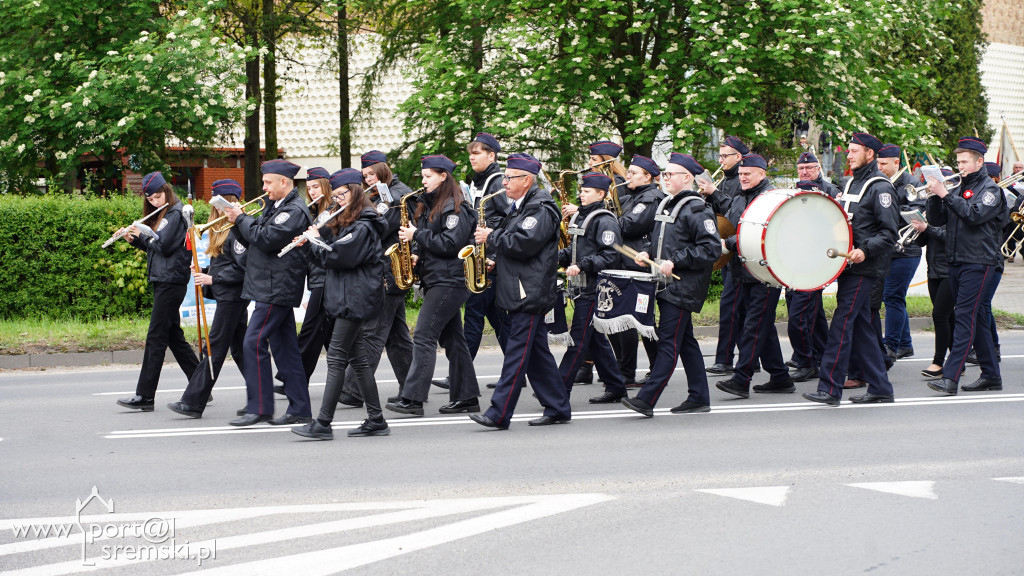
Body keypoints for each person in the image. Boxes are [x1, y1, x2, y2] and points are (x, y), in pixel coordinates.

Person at [469, 153, 571, 429]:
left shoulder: (540, 208)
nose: (504, 182)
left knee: (516, 354)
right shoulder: (521, 206)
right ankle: (559, 406)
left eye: (509, 177)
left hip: (530, 291)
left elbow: (525, 243)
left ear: (527, 180)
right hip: (521, 287)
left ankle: (499, 413)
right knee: (537, 353)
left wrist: (491, 236)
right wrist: (495, 261)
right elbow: (516, 248)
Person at [291, 168, 391, 439]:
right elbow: (331, 255)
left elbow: (338, 257)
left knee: (335, 358)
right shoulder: (349, 223)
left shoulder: (364, 225)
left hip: (355, 300)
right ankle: (377, 419)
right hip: (348, 297)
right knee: (357, 359)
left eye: (341, 195)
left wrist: (314, 241)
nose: (337, 201)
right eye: (334, 197)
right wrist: (313, 241)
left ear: (356, 193)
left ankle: (323, 423)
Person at [620, 153, 720, 416]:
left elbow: (711, 250)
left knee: (668, 343)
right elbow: (664, 241)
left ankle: (646, 399)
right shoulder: (668, 204)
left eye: (669, 174)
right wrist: (647, 253)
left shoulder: (697, 208)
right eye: (663, 174)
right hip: (665, 285)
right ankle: (699, 397)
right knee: (685, 342)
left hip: (683, 286)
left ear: (686, 177)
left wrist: (675, 262)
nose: (664, 178)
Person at [803, 132, 898, 406]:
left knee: (841, 324)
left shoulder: (880, 188)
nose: (849, 154)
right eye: (849, 150)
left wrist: (864, 250)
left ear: (870, 154)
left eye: (855, 150)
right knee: (862, 327)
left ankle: (830, 388)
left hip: (865, 269)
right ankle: (881, 387)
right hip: (847, 266)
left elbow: (889, 233)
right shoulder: (851, 183)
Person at [385, 154, 481, 416]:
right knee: (454, 340)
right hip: (438, 277)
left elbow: (451, 244)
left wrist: (417, 235)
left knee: (424, 336)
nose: (423, 181)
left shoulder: (455, 206)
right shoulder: (434, 204)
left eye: (428, 176)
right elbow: (435, 242)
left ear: (443, 177)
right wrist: (418, 252)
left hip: (450, 281)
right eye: (423, 176)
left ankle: (414, 398)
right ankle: (467, 396)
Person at [222, 159, 314, 426]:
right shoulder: (277, 206)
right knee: (285, 349)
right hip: (269, 284)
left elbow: (266, 239)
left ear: (284, 182)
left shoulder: (293, 210)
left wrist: (241, 218)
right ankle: (299, 409)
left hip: (277, 286)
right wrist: (236, 222)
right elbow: (255, 240)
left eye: (267, 182)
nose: (263, 187)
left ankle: (260, 407)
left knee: (252, 342)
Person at [925, 137, 1005, 395]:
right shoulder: (957, 188)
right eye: (958, 161)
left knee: (964, 315)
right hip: (957, 260)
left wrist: (945, 194)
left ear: (979, 162)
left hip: (979, 261)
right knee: (978, 317)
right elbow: (938, 220)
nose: (960, 167)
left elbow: (974, 215)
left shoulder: (991, 190)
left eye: (964, 162)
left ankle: (950, 378)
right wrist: (934, 197)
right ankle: (991, 375)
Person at [432, 133, 510, 390]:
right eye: (470, 153)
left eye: (477, 153)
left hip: (489, 258)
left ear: (492, 156)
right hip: (481, 255)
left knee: (474, 315)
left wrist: (496, 256)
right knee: (498, 320)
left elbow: (510, 219)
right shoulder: (480, 182)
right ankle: (516, 372)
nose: (472, 157)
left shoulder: (497, 182)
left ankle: (460, 375)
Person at [116, 172, 199, 411]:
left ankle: (145, 396)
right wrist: (133, 239)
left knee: (155, 338)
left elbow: (164, 245)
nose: (155, 201)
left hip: (171, 281)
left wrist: (144, 234)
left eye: (158, 196)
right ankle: (200, 384)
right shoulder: (163, 214)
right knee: (173, 335)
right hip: (163, 279)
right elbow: (154, 247)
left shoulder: (175, 213)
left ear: (167, 191)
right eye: (150, 199)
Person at [337, 150, 415, 406]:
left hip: (389, 270)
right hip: (386, 269)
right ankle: (412, 388)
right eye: (365, 175)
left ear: (384, 170)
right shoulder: (377, 193)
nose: (368, 178)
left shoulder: (395, 194)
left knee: (373, 331)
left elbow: (380, 227)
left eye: (372, 173)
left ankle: (353, 389)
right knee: (397, 337)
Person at [714, 154, 794, 399]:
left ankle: (741, 378)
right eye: (740, 174)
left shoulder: (769, 198)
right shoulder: (740, 196)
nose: (743, 177)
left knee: (753, 326)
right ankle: (780, 377)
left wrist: (727, 243)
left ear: (762, 173)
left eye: (748, 173)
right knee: (761, 325)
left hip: (765, 272)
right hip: (742, 270)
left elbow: (759, 233)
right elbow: (733, 225)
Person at [168, 180, 249, 418]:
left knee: (213, 348)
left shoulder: (237, 229)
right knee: (242, 351)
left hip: (233, 297)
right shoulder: (219, 228)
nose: (216, 209)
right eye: (215, 204)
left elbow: (243, 269)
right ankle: (260, 397)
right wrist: (204, 269)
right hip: (228, 296)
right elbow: (225, 265)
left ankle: (193, 401)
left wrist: (213, 280)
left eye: (220, 204)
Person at [556, 172, 628, 404]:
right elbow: (575, 250)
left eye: (586, 192)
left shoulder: (605, 220)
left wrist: (581, 265)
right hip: (582, 288)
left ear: (601, 194)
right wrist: (555, 258)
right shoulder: (580, 217)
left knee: (578, 339)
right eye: (582, 191)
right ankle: (616, 386)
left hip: (596, 289)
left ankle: (557, 390)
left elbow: (610, 256)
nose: (581, 194)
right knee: (595, 339)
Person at [272, 167, 333, 398]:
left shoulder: (330, 212)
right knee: (327, 335)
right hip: (317, 278)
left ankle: (293, 381)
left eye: (316, 186)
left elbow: (326, 246)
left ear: (326, 187)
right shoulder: (313, 211)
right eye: (308, 188)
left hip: (326, 277)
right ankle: (353, 385)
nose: (312, 191)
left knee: (310, 331)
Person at [572, 139, 628, 385]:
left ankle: (624, 373)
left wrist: (587, 213)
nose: (590, 164)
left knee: (600, 327)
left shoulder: (620, 187)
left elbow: (617, 230)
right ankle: (610, 381)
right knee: (593, 330)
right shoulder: (595, 191)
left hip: (611, 265)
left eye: (594, 160)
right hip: (592, 265)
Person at [607, 155, 664, 387]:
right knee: (640, 320)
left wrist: (604, 219)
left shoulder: (649, 197)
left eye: (632, 173)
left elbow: (629, 225)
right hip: (630, 263)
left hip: (638, 265)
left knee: (635, 320)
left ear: (647, 177)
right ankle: (656, 368)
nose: (626, 176)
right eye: (628, 172)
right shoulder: (635, 196)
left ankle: (629, 373)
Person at [704, 135, 751, 376]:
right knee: (738, 307)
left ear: (739, 158)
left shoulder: (741, 182)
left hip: (739, 250)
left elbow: (734, 212)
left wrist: (714, 192)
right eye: (720, 156)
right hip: (726, 248)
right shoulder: (724, 179)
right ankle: (751, 357)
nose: (720, 161)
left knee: (730, 306)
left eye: (725, 156)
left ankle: (724, 359)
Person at [784, 175, 836, 383]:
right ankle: (821, 356)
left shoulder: (824, 222)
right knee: (816, 320)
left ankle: (807, 363)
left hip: (812, 275)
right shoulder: (792, 220)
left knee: (798, 320)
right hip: (794, 275)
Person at [877, 144, 923, 361]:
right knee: (894, 297)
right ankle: (905, 344)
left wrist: (890, 210)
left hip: (907, 250)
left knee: (892, 297)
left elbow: (918, 213)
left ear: (897, 163)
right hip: (888, 249)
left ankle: (891, 345)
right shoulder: (880, 182)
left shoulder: (911, 182)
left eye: (884, 164)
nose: (880, 167)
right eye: (878, 163)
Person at [910, 171, 953, 379]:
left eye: (934, 184)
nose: (929, 187)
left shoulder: (954, 204)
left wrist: (927, 227)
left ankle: (938, 362)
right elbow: (924, 242)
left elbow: (950, 236)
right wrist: (918, 230)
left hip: (950, 268)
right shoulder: (932, 204)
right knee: (949, 317)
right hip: (934, 267)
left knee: (939, 315)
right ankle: (957, 361)